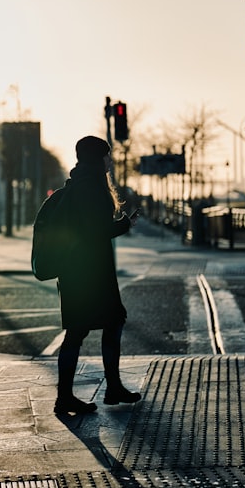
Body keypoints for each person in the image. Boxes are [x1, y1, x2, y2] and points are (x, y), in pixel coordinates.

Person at [54, 135, 141, 415]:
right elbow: (95, 231)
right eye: (107, 155)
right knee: (94, 328)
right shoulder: (90, 187)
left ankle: (102, 389)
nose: (110, 161)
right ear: (97, 158)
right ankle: (74, 395)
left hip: (80, 270)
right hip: (89, 272)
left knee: (94, 327)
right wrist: (125, 224)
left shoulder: (78, 183)